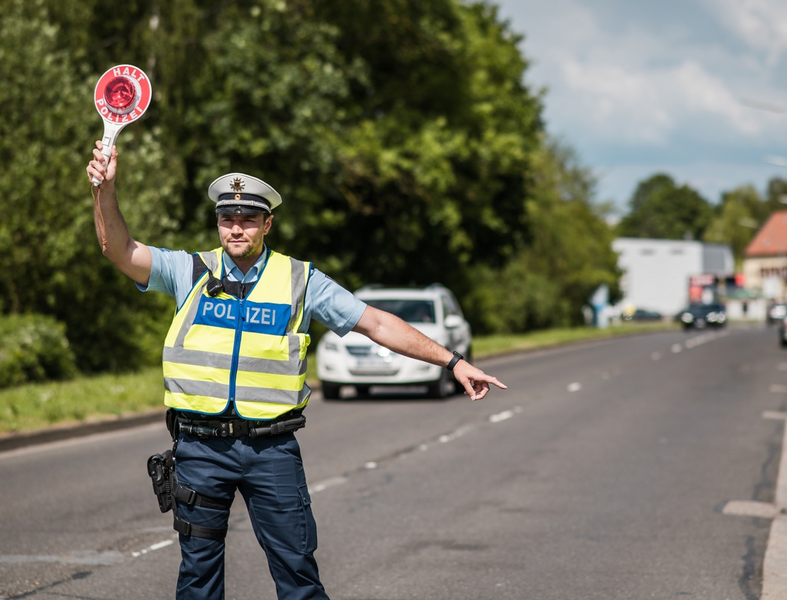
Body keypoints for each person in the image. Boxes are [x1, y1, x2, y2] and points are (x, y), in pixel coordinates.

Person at [86, 141, 507, 600]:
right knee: (197, 579)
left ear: (267, 223)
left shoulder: (301, 280)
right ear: (218, 223)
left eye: (249, 219)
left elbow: (378, 323)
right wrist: (104, 191)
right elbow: (117, 248)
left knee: (298, 576)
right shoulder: (189, 271)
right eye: (228, 219)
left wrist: (453, 361)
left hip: (271, 452)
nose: (237, 229)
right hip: (200, 449)